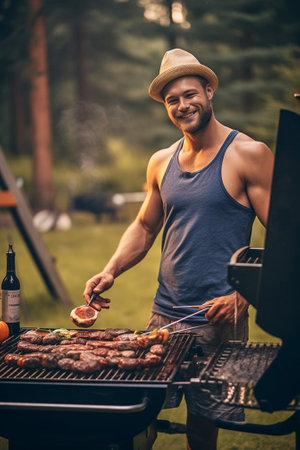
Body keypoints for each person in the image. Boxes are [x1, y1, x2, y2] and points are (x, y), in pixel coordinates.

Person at [83, 48, 274, 449]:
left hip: (220, 316)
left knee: (203, 427)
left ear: (208, 91)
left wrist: (244, 295)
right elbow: (145, 225)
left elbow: (286, 240)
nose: (183, 105)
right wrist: (111, 269)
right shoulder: (160, 161)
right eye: (173, 100)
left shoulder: (248, 154)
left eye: (190, 94)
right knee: (139, 416)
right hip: (164, 314)